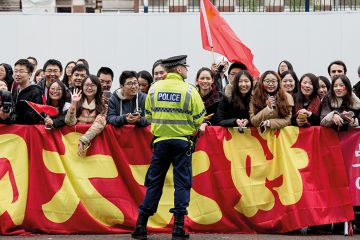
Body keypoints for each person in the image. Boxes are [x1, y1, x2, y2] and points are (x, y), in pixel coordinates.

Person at [132, 55, 205, 240]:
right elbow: (199, 119)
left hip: (160, 143)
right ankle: (178, 228)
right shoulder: (190, 90)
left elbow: (148, 116)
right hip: (182, 143)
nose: (187, 70)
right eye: (186, 68)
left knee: (154, 183)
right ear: (179, 69)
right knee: (182, 184)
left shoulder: (154, 88)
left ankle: (140, 226)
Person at [65, 75, 106, 156]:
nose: (89, 88)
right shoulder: (77, 102)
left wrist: (84, 139)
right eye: (86, 85)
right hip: (74, 142)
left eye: (92, 85)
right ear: (82, 87)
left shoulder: (103, 105)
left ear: (98, 87)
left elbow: (99, 124)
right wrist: (73, 103)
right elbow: (69, 122)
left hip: (94, 144)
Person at [9, 59, 44, 124]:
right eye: (15, 71)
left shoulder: (35, 92)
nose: (17, 74)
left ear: (30, 74)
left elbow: (34, 116)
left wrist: (16, 118)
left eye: (21, 71)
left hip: (28, 131)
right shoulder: (15, 90)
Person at [195, 67, 221, 131]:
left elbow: (220, 117)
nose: (205, 81)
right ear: (197, 81)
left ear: (212, 80)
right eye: (202, 78)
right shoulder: (192, 96)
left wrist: (207, 123)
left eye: (208, 78)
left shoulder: (220, 97)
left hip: (214, 133)